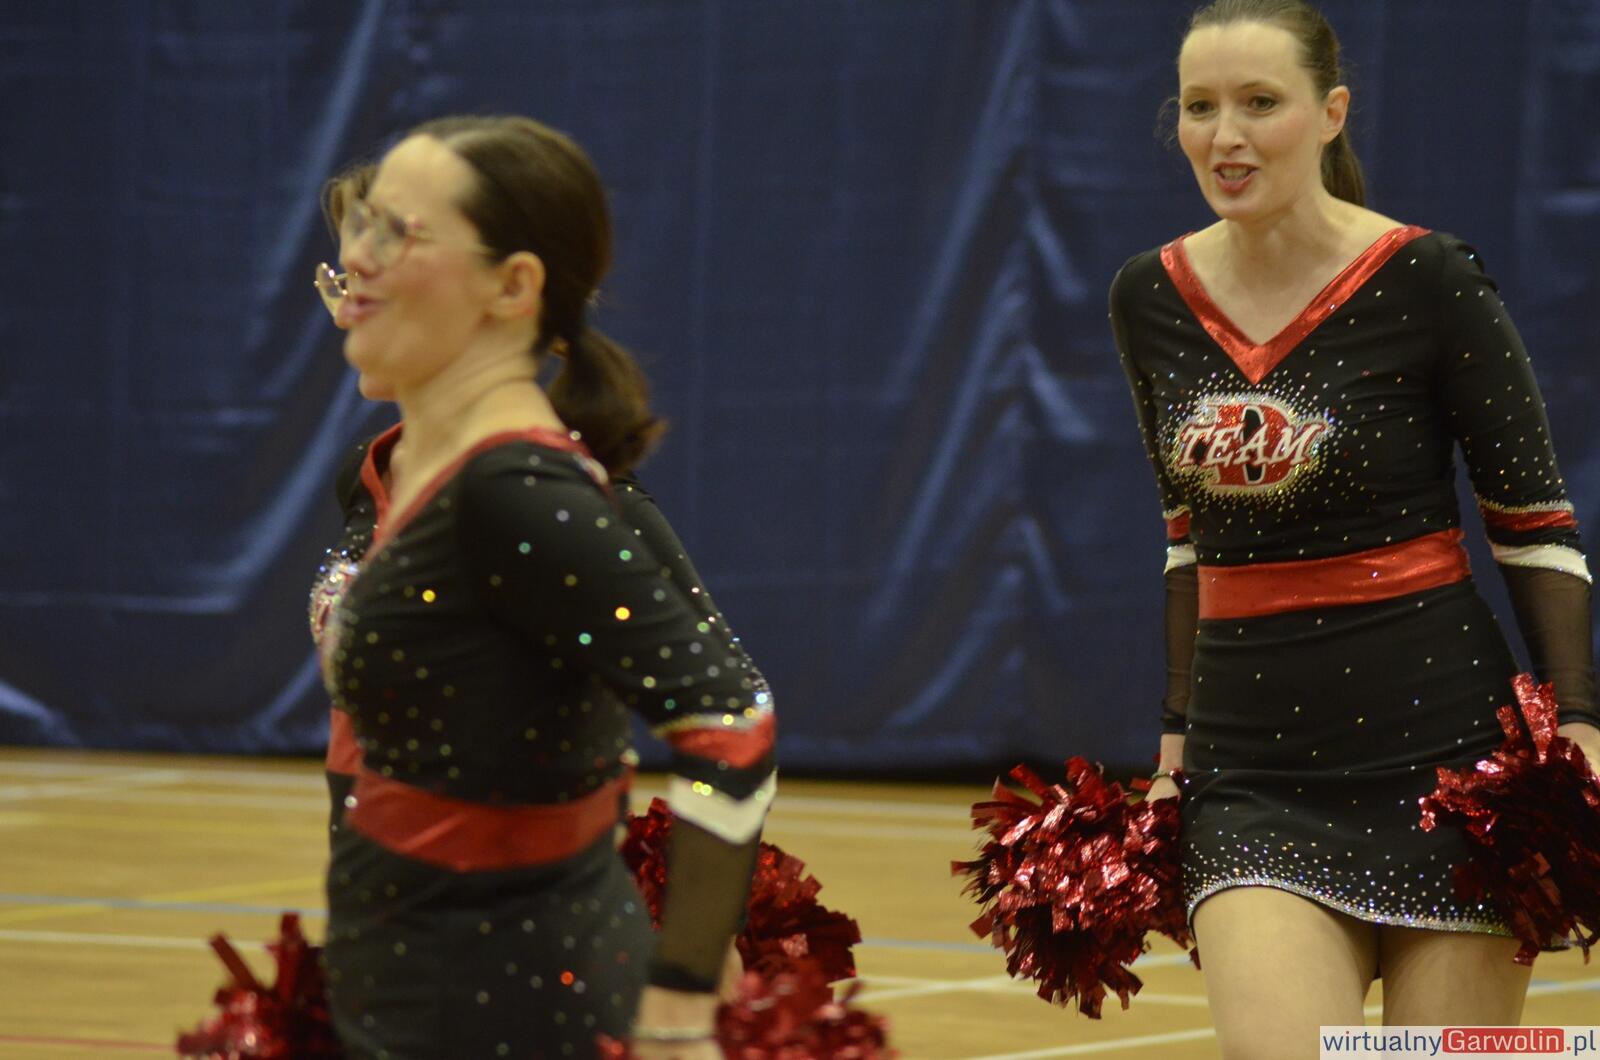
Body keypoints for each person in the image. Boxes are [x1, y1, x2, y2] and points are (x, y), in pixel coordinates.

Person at [1109, 1, 1600, 1054]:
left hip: (1449, 762)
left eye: (1260, 103)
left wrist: (1581, 724)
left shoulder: (1429, 277)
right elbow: (1186, 540)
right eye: (1199, 107)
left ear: (1331, 113)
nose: (1225, 136)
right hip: (1252, 771)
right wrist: (1174, 741)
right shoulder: (1148, 296)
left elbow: (1533, 522)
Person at [314, 115, 775, 1059]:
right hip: (417, 982)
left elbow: (732, 721)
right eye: (361, 226)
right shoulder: (432, 472)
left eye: (396, 233)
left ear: (513, 286)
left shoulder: (513, 489)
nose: (355, 258)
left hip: (504, 1003)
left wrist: (684, 997)